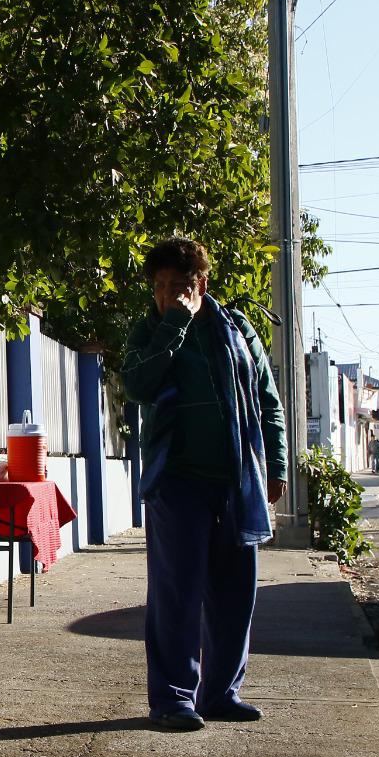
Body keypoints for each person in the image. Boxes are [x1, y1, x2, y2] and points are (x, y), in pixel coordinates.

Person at [120, 237, 287, 731]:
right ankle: (172, 699)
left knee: (236, 593)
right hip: (177, 482)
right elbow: (138, 384)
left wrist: (275, 465)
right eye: (161, 287)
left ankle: (221, 692)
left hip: (236, 482)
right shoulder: (151, 330)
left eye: (180, 286)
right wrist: (174, 323)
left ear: (202, 284)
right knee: (177, 593)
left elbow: (268, 402)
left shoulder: (237, 330)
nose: (169, 294)